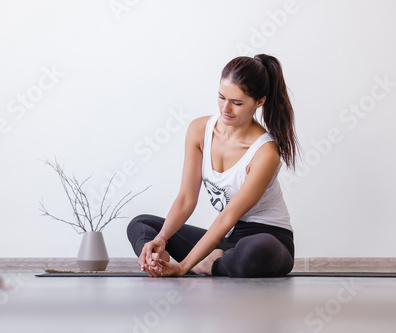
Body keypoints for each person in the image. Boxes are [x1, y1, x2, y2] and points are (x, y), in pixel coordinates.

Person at [127, 54, 299, 278]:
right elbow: (186, 198)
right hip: (224, 239)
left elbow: (228, 217)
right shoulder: (200, 130)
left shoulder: (265, 153)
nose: (225, 109)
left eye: (237, 103)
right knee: (141, 224)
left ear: (260, 102)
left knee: (254, 252)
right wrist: (162, 239)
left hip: (267, 240)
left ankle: (210, 265)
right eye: (221, 97)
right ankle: (159, 259)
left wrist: (185, 266)